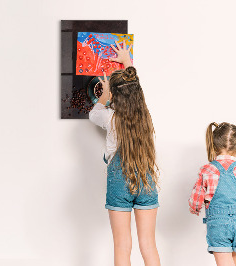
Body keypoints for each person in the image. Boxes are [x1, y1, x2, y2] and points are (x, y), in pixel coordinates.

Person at [89, 40, 161, 266]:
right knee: (148, 244)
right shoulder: (145, 116)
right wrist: (127, 62)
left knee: (122, 245)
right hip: (146, 178)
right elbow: (134, 88)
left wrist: (105, 94)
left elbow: (94, 113)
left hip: (120, 182)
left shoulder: (110, 117)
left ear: (114, 96)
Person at [189, 122, 236, 266]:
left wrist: (195, 208)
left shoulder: (207, 170)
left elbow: (196, 198)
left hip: (218, 224)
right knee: (235, 262)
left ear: (213, 145)